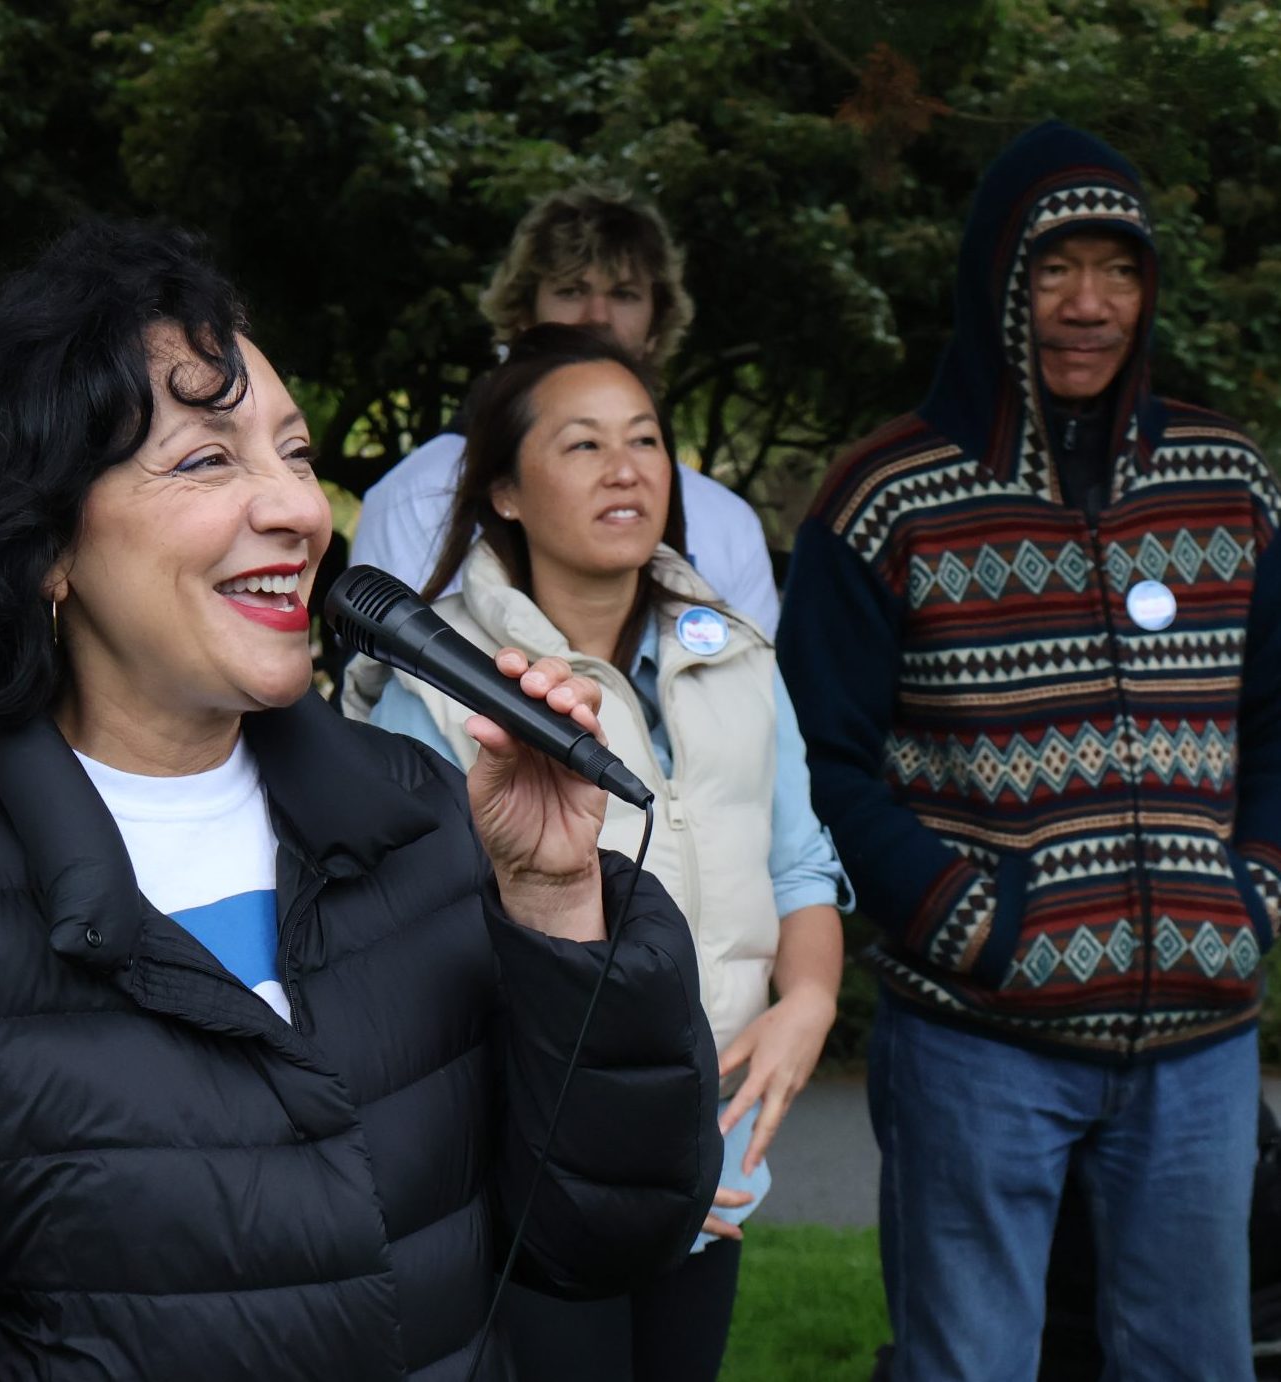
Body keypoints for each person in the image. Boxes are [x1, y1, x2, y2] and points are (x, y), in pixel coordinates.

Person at [0, 222, 720, 1379]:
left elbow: (603, 1232)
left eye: (292, 453)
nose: (295, 505)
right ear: (40, 544)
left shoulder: (416, 814)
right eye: (207, 460)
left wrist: (554, 906)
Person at [780, 121, 1279, 1380]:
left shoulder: (1225, 479)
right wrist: (963, 918)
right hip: (976, 1041)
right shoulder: (889, 497)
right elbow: (817, 762)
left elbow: (1278, 719)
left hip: (1200, 1050)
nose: (1090, 305)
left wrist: (1254, 894)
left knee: (1197, 1363)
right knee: (971, 1364)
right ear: (999, 280)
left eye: (1119, 269)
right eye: (1056, 270)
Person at [344, 324, 847, 1380]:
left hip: (708, 1176)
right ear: (505, 490)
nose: (627, 468)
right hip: (531, 1183)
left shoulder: (737, 652)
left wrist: (807, 1003)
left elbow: (800, 866)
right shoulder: (434, 691)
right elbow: (404, 979)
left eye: (648, 440)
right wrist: (600, 1158)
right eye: (581, 444)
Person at [352, 187, 780, 631]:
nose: (597, 316)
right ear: (523, 314)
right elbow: (393, 684)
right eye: (571, 290)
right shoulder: (414, 496)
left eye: (625, 294)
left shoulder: (728, 524)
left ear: (657, 325)